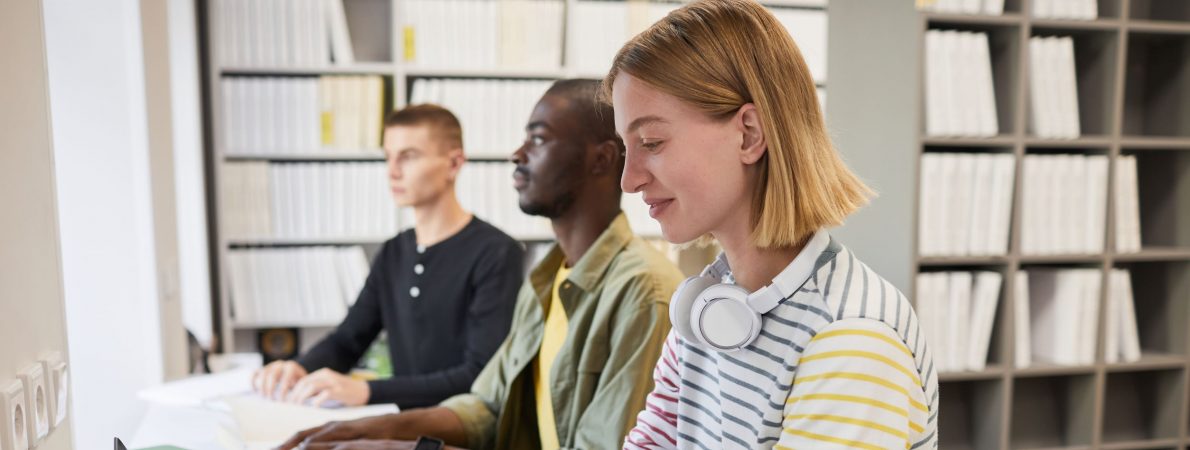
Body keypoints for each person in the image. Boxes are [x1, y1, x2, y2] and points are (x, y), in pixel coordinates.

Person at [278, 79, 685, 450]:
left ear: (602, 159)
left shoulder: (643, 294)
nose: (517, 154)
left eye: (538, 140)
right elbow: (487, 405)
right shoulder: (547, 278)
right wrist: (373, 428)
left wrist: (405, 447)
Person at [607, 1, 940, 449]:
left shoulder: (852, 342)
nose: (630, 180)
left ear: (749, 134)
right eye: (628, 148)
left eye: (651, 142)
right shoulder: (712, 304)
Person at [252, 105, 524, 409]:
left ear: (454, 163)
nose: (392, 171)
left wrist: (368, 392)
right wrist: (298, 368)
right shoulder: (394, 251)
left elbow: (479, 375)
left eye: (408, 156)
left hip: (466, 432)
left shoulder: (496, 252)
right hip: (405, 426)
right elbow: (348, 340)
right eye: (388, 157)